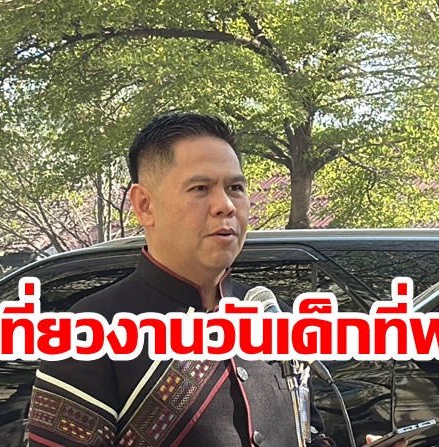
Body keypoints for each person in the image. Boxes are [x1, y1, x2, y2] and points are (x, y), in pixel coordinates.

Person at [26, 112, 407, 447]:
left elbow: (306, 433)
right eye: (200, 188)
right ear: (144, 204)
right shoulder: (88, 334)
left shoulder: (268, 314)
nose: (225, 205)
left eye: (235, 188)